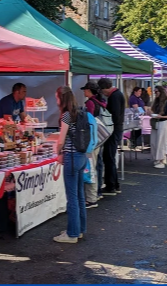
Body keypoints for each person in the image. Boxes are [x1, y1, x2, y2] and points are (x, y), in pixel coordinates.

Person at [53, 86, 87, 243]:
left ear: (62, 98)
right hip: (81, 156)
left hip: (71, 157)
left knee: (72, 197)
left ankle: (72, 233)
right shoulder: (80, 111)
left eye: (57, 98)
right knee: (80, 195)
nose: (56, 101)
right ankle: (79, 229)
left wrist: (58, 152)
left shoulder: (66, 116)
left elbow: (61, 140)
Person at [80, 82, 106, 209]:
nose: (83, 92)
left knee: (90, 169)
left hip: (91, 140)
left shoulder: (90, 103)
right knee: (97, 166)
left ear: (89, 90)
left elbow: (87, 122)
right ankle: (97, 193)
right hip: (99, 138)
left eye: (85, 90)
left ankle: (91, 198)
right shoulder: (100, 102)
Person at [98, 78, 124, 195]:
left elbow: (114, 115)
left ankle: (111, 186)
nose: (103, 93)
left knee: (108, 157)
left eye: (103, 91)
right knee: (110, 157)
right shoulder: (118, 94)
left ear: (105, 89)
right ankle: (114, 184)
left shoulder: (114, 97)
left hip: (113, 130)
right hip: (116, 129)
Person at [150, 85, 167, 169]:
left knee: (161, 142)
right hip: (155, 123)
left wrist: (162, 117)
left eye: (156, 92)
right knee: (153, 142)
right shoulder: (156, 101)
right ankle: (156, 158)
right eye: (154, 92)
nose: (155, 93)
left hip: (163, 122)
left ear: (161, 92)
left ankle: (161, 159)